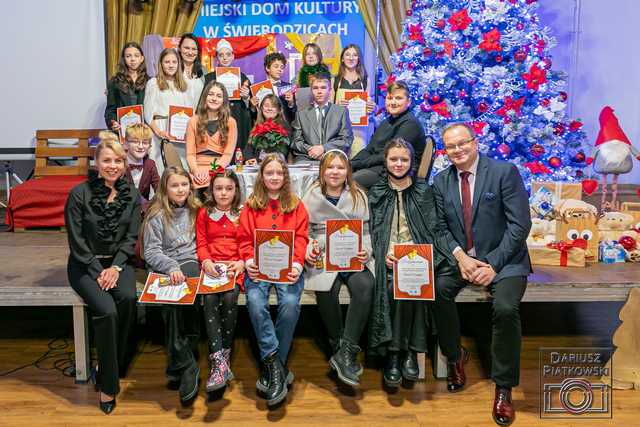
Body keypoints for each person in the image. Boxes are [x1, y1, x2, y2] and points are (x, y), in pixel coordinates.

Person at [432, 123, 531, 427]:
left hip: (505, 260)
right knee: (436, 290)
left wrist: (493, 264)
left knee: (504, 308)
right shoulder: (441, 181)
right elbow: (439, 228)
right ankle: (454, 356)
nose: (458, 150)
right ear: (444, 151)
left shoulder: (503, 172)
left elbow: (519, 225)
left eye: (463, 143)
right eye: (451, 146)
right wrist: (461, 257)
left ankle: (503, 387)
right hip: (463, 260)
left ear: (475, 143)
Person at [367, 138, 454, 389]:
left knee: (413, 285)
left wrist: (424, 257)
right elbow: (372, 231)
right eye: (393, 159)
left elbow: (433, 229)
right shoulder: (377, 191)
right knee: (394, 285)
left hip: (417, 259)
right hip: (387, 257)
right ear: (386, 161)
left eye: (404, 159)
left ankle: (406, 353)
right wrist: (382, 253)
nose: (398, 163)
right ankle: (397, 354)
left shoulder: (423, 191)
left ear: (411, 162)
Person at [64, 135, 141, 414]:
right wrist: (99, 271)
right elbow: (77, 242)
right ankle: (109, 386)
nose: (113, 165)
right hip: (85, 265)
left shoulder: (131, 195)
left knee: (129, 299)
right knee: (107, 311)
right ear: (96, 163)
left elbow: (130, 237)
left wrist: (116, 267)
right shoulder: (78, 194)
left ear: (124, 164)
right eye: (107, 160)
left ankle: (109, 364)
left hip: (118, 263)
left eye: (118, 160)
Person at [238, 154, 309, 406]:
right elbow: (245, 239)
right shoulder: (251, 205)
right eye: (270, 173)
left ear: (285, 176)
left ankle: (272, 367)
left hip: (288, 267)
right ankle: (276, 364)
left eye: (279, 173)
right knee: (256, 303)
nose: (275, 177)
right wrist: (248, 260)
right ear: (262, 176)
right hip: (258, 268)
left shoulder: (297, 204)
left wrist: (299, 264)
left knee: (290, 304)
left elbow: (301, 238)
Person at [302, 150, 374, 387]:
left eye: (340, 168)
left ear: (347, 172)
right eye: (330, 167)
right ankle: (337, 345)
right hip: (324, 253)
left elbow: (367, 231)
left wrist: (367, 250)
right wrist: (310, 247)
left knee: (365, 285)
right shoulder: (310, 195)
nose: (335, 172)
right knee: (325, 289)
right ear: (322, 171)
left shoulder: (359, 195)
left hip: (353, 253)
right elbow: (305, 233)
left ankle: (347, 349)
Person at [142, 166, 202, 405]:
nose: (180, 189)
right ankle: (187, 363)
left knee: (187, 291)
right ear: (165, 188)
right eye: (175, 185)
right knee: (169, 303)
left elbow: (202, 243)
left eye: (184, 185)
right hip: (165, 263)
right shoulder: (156, 214)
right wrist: (170, 267)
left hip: (189, 260)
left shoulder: (196, 210)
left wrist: (184, 267)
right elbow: (151, 251)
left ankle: (179, 361)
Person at [196, 166, 244, 392]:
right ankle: (218, 361)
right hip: (212, 268)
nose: (224, 193)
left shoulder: (242, 213)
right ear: (211, 191)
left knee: (230, 297)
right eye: (219, 189)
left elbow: (248, 243)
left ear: (236, 190)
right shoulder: (204, 213)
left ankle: (224, 356)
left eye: (229, 189)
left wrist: (242, 262)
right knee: (210, 300)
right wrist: (205, 262)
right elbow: (202, 243)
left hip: (234, 269)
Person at [352, 81, 426, 189]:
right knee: (339, 174)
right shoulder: (386, 122)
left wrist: (358, 165)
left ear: (408, 102)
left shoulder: (410, 124)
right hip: (377, 167)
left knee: (350, 181)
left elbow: (390, 156)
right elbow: (369, 150)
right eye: (390, 98)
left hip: (395, 173)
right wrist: (351, 163)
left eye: (398, 98)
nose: (393, 102)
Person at [144, 48, 195, 174]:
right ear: (161, 64)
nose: (171, 65)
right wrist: (159, 132)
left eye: (174, 62)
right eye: (167, 62)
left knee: (181, 169)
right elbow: (148, 114)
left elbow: (190, 112)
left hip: (181, 134)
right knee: (162, 171)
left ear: (179, 64)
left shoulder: (185, 85)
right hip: (160, 133)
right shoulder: (153, 83)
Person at [291, 71, 353, 163]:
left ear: (330, 90)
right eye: (315, 88)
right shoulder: (301, 114)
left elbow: (346, 139)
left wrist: (324, 148)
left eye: (323, 88)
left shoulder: (341, 112)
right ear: (311, 91)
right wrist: (311, 150)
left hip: (333, 155)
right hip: (307, 157)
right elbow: (295, 141)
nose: (319, 91)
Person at [186, 80, 238, 190]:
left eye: (219, 96)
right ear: (205, 97)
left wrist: (212, 172)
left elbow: (227, 155)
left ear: (223, 101)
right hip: (197, 170)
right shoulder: (193, 121)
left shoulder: (231, 122)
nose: (214, 98)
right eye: (211, 94)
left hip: (219, 170)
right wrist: (196, 172)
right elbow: (190, 154)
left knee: (219, 186)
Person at [203, 39, 252, 152]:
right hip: (216, 122)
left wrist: (246, 97)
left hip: (238, 120)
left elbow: (252, 106)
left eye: (228, 54)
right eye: (221, 55)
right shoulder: (209, 78)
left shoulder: (242, 77)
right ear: (217, 58)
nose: (225, 58)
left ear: (233, 56)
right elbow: (203, 103)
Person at [105, 42, 149, 132]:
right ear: (124, 59)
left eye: (136, 56)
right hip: (124, 132)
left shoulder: (150, 81)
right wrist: (113, 123)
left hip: (144, 132)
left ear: (142, 58)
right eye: (128, 56)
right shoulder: (114, 82)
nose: (132, 59)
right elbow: (110, 110)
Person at [245, 94, 291, 165]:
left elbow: (281, 153)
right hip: (257, 165)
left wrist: (258, 160)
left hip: (277, 165)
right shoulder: (256, 126)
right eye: (266, 106)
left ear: (278, 110)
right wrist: (249, 159)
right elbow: (248, 148)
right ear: (261, 108)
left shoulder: (285, 127)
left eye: (273, 106)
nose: (269, 109)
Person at [122, 123, 159, 205]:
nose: (141, 146)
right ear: (126, 144)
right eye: (135, 142)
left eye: (145, 143)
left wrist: (152, 205)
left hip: (143, 214)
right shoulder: (119, 163)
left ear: (149, 146)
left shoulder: (150, 164)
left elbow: (159, 189)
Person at [259, 52, 296, 124]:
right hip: (264, 128)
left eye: (282, 67)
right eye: (276, 66)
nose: (280, 69)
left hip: (284, 128)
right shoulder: (259, 88)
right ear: (267, 68)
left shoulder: (289, 87)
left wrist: (291, 103)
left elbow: (294, 115)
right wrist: (253, 107)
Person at [178, 33, 205, 106]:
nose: (190, 52)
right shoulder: (173, 71)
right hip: (178, 116)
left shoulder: (203, 71)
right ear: (179, 48)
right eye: (186, 48)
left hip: (199, 116)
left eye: (193, 49)